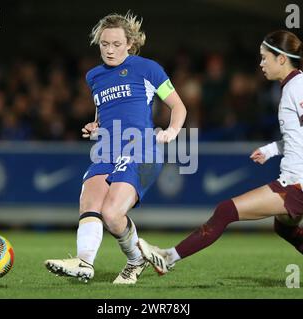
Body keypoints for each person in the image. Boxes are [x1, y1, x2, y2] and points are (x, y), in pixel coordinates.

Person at [138, 30, 303, 289]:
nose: (261, 64)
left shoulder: (298, 86)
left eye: (265, 58)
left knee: (226, 210)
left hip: (300, 183)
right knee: (284, 229)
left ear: (281, 59)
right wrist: (271, 150)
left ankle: (168, 257)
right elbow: (302, 137)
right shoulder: (294, 85)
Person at [45, 12, 187, 284]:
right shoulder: (94, 76)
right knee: (89, 199)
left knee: (111, 214)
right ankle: (84, 262)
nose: (109, 50)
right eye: (104, 44)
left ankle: (135, 260)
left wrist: (171, 131)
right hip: (106, 149)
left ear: (130, 44)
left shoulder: (148, 68)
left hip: (140, 148)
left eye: (116, 44)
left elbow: (178, 106)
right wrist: (95, 126)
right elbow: (105, 112)